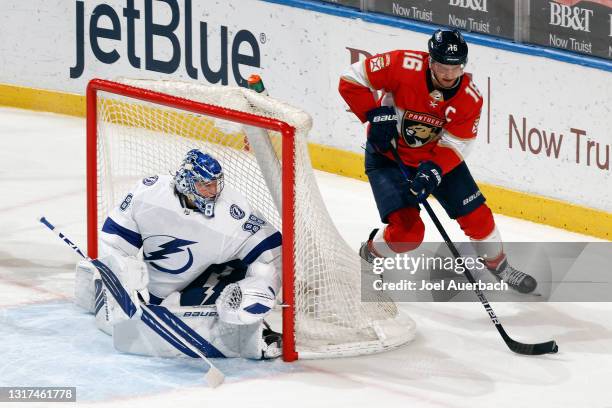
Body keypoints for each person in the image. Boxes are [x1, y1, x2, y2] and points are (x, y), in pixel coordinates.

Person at [338, 29, 537, 294]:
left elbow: (458, 143)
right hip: (388, 158)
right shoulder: (401, 64)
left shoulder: (470, 98)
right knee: (408, 235)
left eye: (455, 68)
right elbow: (351, 79)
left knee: (479, 218)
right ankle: (370, 254)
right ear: (430, 60)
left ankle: (498, 266)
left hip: (434, 159)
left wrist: (434, 170)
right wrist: (373, 114)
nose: (447, 74)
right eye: (442, 65)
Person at [75, 149, 283, 359]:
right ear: (186, 182)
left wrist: (261, 287)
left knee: (221, 302)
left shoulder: (232, 212)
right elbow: (115, 240)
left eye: (216, 184)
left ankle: (253, 334)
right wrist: (121, 278)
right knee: (119, 285)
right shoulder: (149, 194)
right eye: (205, 185)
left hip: (205, 281)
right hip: (155, 290)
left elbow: (272, 254)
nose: (213, 192)